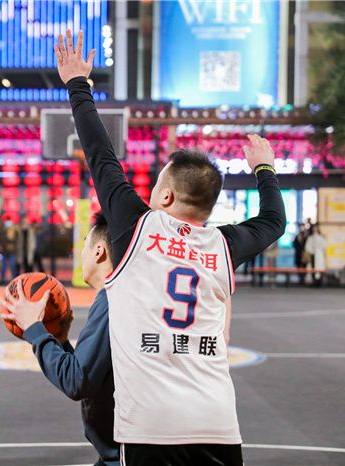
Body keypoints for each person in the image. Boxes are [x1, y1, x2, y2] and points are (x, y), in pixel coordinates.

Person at [56, 30, 286, 465]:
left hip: (151, 429)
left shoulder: (137, 227)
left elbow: (100, 154)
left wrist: (77, 84)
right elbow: (275, 221)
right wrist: (264, 168)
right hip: (218, 425)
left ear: (164, 196)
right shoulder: (222, 244)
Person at [2, 213, 119, 465]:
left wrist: (34, 328)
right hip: (118, 450)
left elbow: (76, 381)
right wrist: (62, 341)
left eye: (85, 244)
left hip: (126, 454)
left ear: (99, 252)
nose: (81, 253)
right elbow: (91, 375)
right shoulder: (116, 296)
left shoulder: (112, 300)